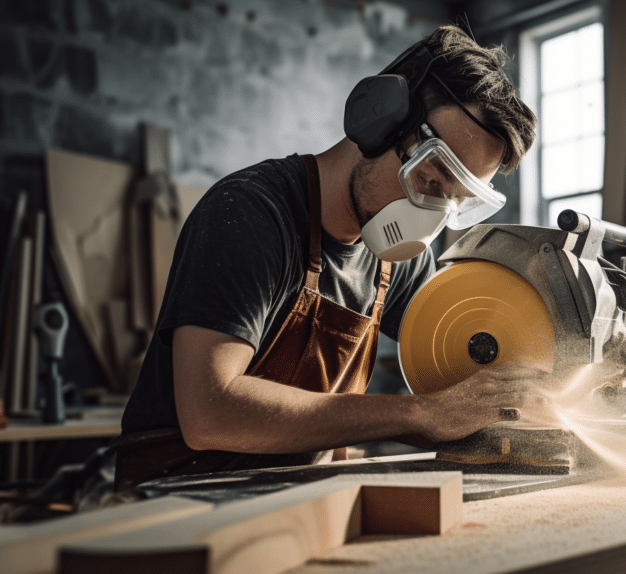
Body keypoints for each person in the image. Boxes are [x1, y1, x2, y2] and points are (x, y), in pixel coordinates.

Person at [113, 25, 541, 488]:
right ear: (380, 122)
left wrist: (545, 379)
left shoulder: (399, 261)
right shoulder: (251, 214)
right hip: (176, 502)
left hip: (290, 499)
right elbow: (210, 414)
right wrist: (417, 413)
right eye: (430, 180)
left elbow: (463, 369)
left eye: (455, 200)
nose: (431, 215)